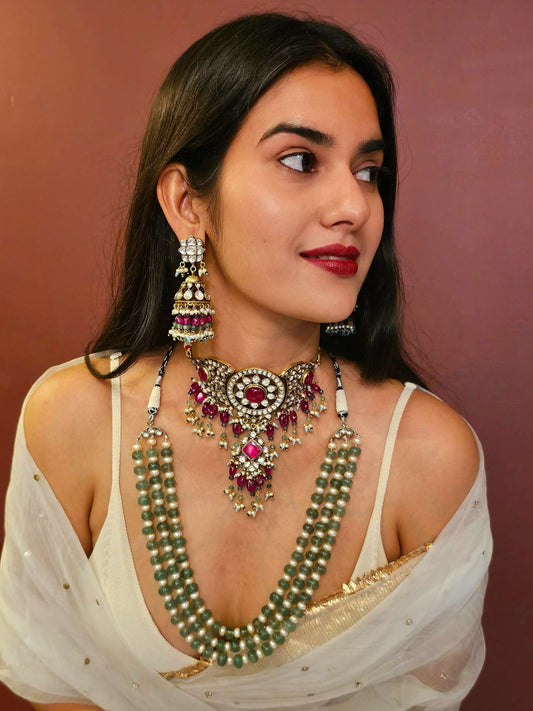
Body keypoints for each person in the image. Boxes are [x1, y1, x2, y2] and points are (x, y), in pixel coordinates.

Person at [0, 11, 491, 711]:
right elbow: (57, 690)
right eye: (301, 160)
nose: (354, 206)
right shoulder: (73, 419)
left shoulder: (427, 455)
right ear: (186, 203)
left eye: (368, 171)